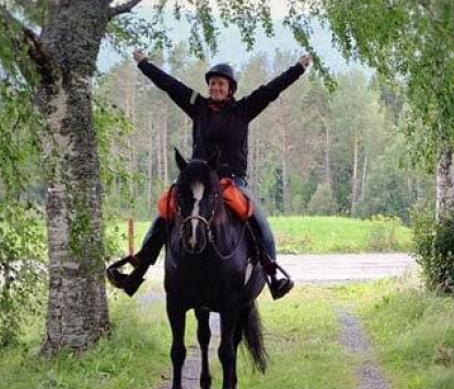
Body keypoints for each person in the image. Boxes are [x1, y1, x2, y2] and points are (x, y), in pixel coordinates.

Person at [108, 49, 312, 300]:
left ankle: (272, 274)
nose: (216, 87)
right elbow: (170, 86)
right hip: (199, 178)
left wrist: (298, 68)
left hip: (232, 180)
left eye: (221, 84)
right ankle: (137, 272)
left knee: (255, 215)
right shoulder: (197, 106)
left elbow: (272, 90)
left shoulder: (244, 109)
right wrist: (144, 65)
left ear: (230, 88)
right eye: (212, 83)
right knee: (166, 207)